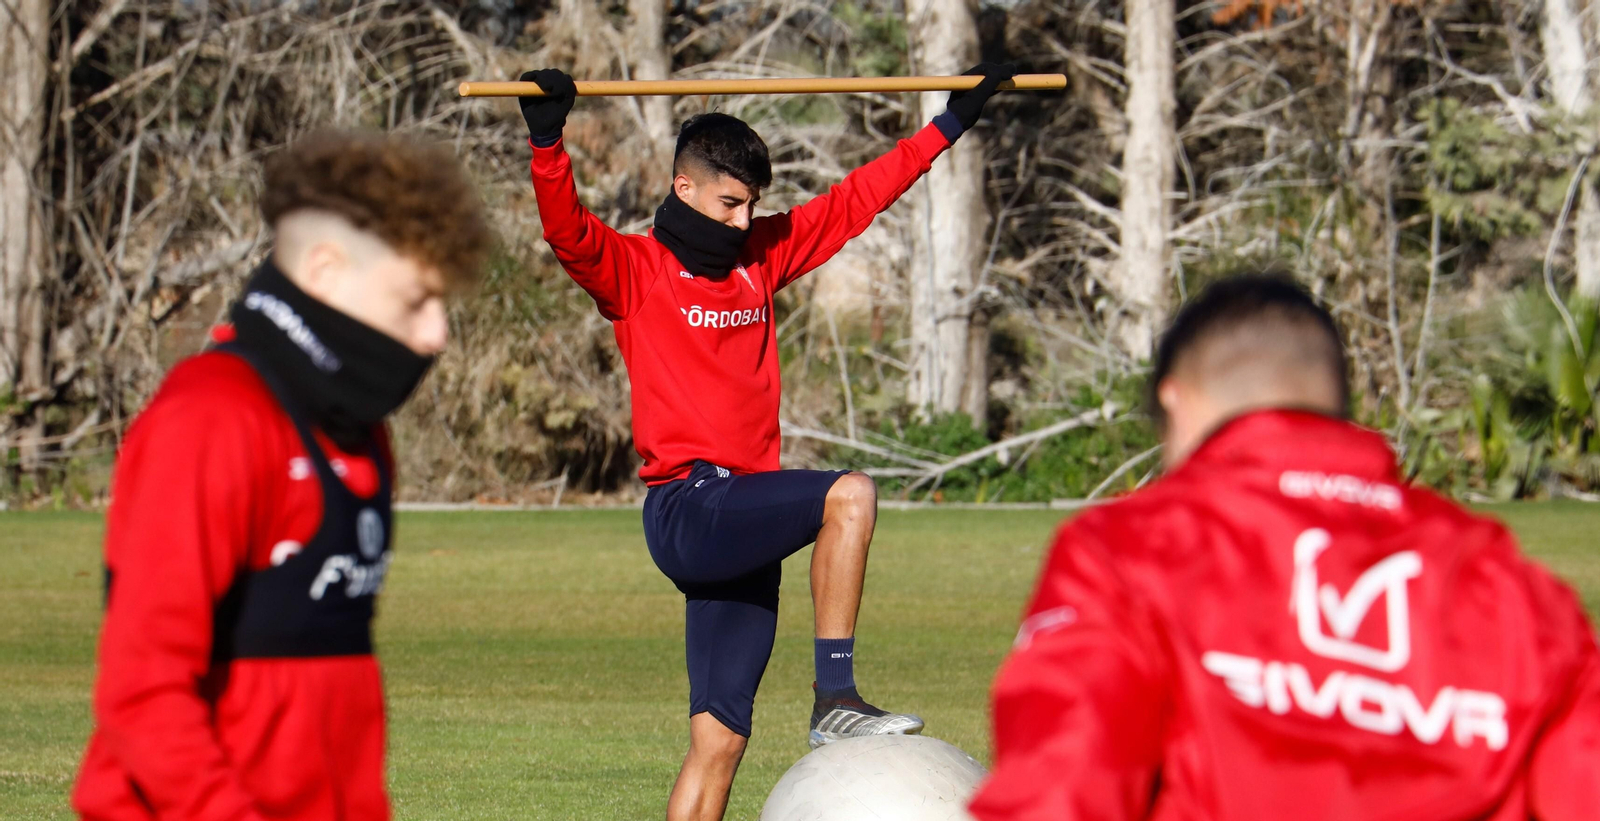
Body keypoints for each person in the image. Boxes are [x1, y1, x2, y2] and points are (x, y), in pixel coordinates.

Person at [517, 64, 1015, 820]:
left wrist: (949, 123)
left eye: (753, 204)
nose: (745, 221)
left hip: (738, 522)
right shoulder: (636, 270)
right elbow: (568, 233)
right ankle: (835, 696)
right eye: (729, 203)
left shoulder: (760, 257)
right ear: (683, 190)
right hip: (689, 506)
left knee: (717, 744)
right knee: (849, 494)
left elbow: (858, 200)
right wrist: (547, 140)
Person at [967, 274, 1600, 821]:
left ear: (1174, 402)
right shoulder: (1518, 591)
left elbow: (1060, 791)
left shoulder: (1128, 552)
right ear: (1338, 404)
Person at [71, 130, 491, 821]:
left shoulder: (358, 430)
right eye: (417, 300)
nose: (437, 333)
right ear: (324, 270)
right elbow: (140, 689)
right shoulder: (211, 419)